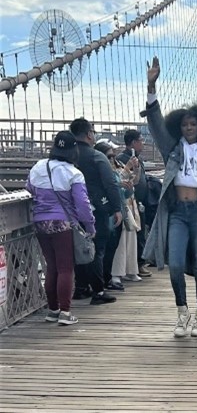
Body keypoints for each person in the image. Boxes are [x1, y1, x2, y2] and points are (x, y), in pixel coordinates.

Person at [142, 55, 197, 338]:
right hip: (177, 213)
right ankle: (182, 313)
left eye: (193, 125)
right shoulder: (173, 149)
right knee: (176, 264)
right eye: (184, 125)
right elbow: (155, 125)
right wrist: (151, 87)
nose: (188, 129)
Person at [26, 131, 96, 325]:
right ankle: (65, 313)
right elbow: (82, 203)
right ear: (74, 151)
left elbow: (29, 188)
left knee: (52, 267)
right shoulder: (74, 173)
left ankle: (53, 310)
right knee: (66, 268)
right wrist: (89, 226)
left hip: (40, 222)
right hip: (63, 223)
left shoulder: (38, 167)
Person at [70, 117, 122, 305]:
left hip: (70, 210)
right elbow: (110, 184)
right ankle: (98, 292)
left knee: (76, 248)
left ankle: (81, 287)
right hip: (96, 209)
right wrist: (117, 208)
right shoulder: (96, 156)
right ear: (89, 134)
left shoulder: (67, 156)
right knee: (97, 249)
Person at [94, 140, 141, 290]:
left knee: (113, 247)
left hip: (120, 211)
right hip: (106, 213)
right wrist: (124, 174)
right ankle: (106, 280)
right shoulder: (99, 172)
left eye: (112, 156)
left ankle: (110, 278)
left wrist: (128, 185)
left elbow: (126, 191)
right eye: (108, 156)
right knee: (105, 249)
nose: (111, 159)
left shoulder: (115, 170)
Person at [117, 129, 152, 278]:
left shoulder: (138, 158)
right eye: (140, 140)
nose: (142, 143)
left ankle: (138, 263)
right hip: (129, 202)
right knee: (134, 234)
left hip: (138, 202)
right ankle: (134, 264)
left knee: (140, 231)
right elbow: (122, 178)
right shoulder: (122, 159)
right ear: (133, 143)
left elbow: (137, 179)